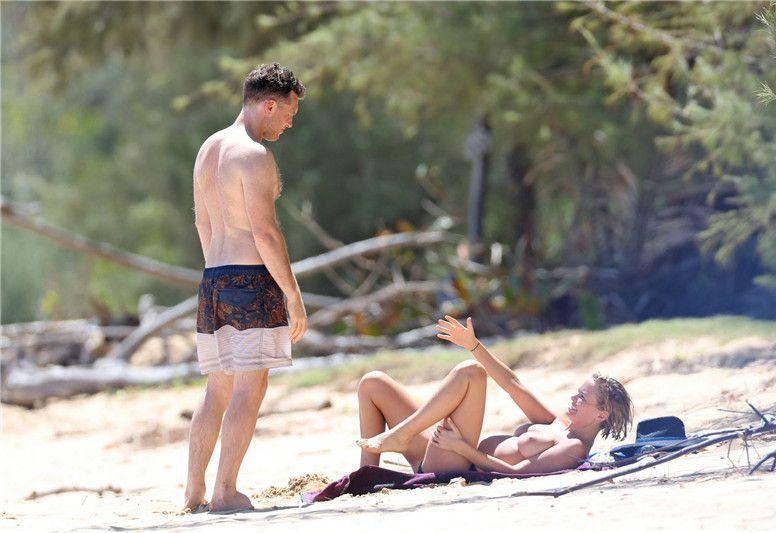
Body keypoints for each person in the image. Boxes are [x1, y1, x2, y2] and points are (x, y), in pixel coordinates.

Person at [184, 63, 308, 512]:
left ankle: (194, 491)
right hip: (250, 279)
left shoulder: (208, 149)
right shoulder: (253, 155)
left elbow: (202, 223)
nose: (289, 124)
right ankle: (225, 491)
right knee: (249, 387)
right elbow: (265, 233)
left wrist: (217, 274)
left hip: (213, 277)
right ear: (269, 105)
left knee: (217, 388)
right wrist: (293, 295)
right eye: (288, 114)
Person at [356, 316, 633, 474]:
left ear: (601, 414)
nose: (573, 399)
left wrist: (460, 448)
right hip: (444, 452)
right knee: (373, 382)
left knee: (471, 373)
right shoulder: (558, 424)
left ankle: (401, 435)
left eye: (582, 398)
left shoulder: (574, 448)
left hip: (457, 462)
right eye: (577, 393)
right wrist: (473, 345)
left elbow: (516, 474)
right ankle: (365, 474)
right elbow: (514, 385)